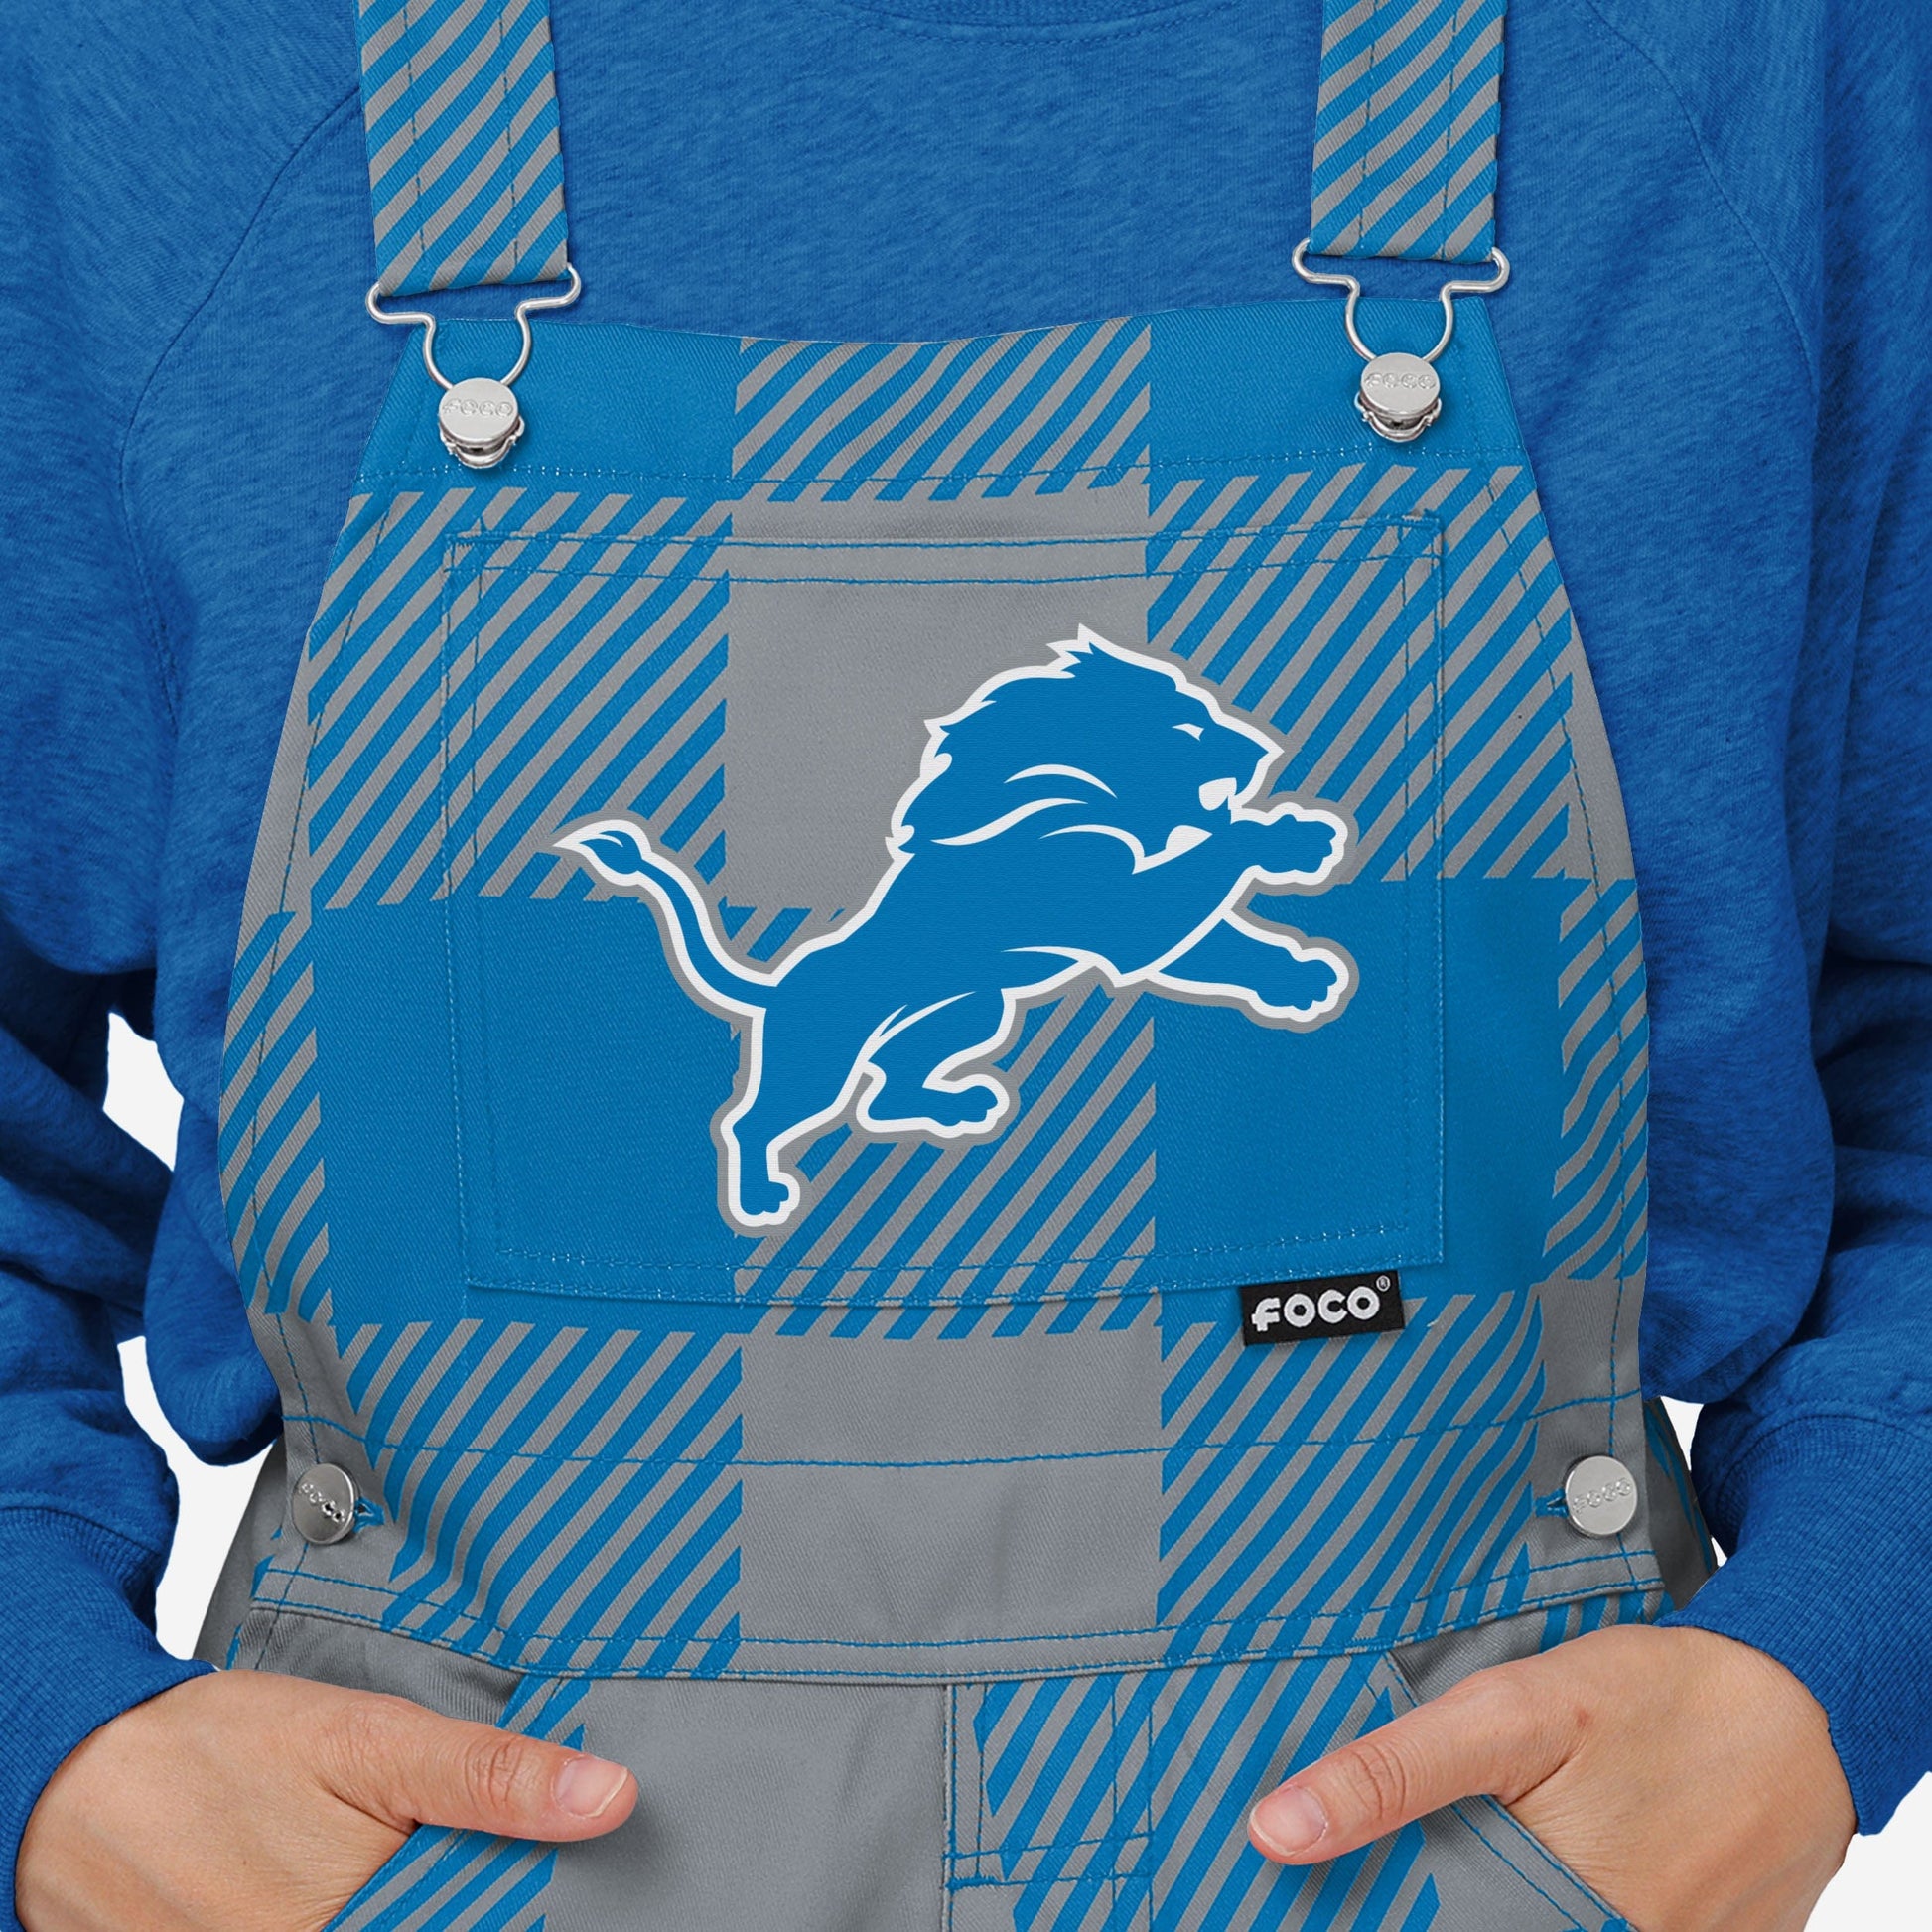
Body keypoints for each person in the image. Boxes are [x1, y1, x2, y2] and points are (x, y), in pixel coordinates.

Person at [0, 1, 1925, 1928]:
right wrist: (55, 1734)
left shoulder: (1740, 51)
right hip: (467, 1866)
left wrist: (1829, 1649)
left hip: (1439, 1863)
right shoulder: (137, 67)